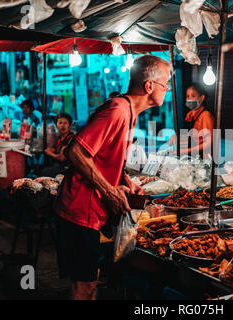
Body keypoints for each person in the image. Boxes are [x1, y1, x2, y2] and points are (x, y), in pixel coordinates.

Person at [54, 54, 172, 300]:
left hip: (92, 211)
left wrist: (123, 180)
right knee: (84, 285)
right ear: (149, 86)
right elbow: (74, 151)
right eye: (166, 83)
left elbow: (104, 156)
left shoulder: (130, 112)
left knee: (91, 279)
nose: (168, 88)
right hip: (80, 208)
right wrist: (108, 190)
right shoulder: (117, 110)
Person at [169, 83, 214, 158]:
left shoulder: (206, 115)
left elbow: (209, 143)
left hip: (203, 158)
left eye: (193, 96)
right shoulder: (190, 115)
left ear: (202, 98)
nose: (189, 99)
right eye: (187, 96)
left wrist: (186, 151)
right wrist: (176, 137)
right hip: (192, 156)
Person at [40, 113, 75, 177]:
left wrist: (50, 153)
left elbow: (61, 158)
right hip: (60, 166)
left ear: (70, 126)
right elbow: (57, 149)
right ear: (56, 125)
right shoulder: (60, 137)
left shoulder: (70, 138)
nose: (62, 125)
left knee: (43, 172)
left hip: (67, 168)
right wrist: (51, 150)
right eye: (60, 123)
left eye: (65, 123)